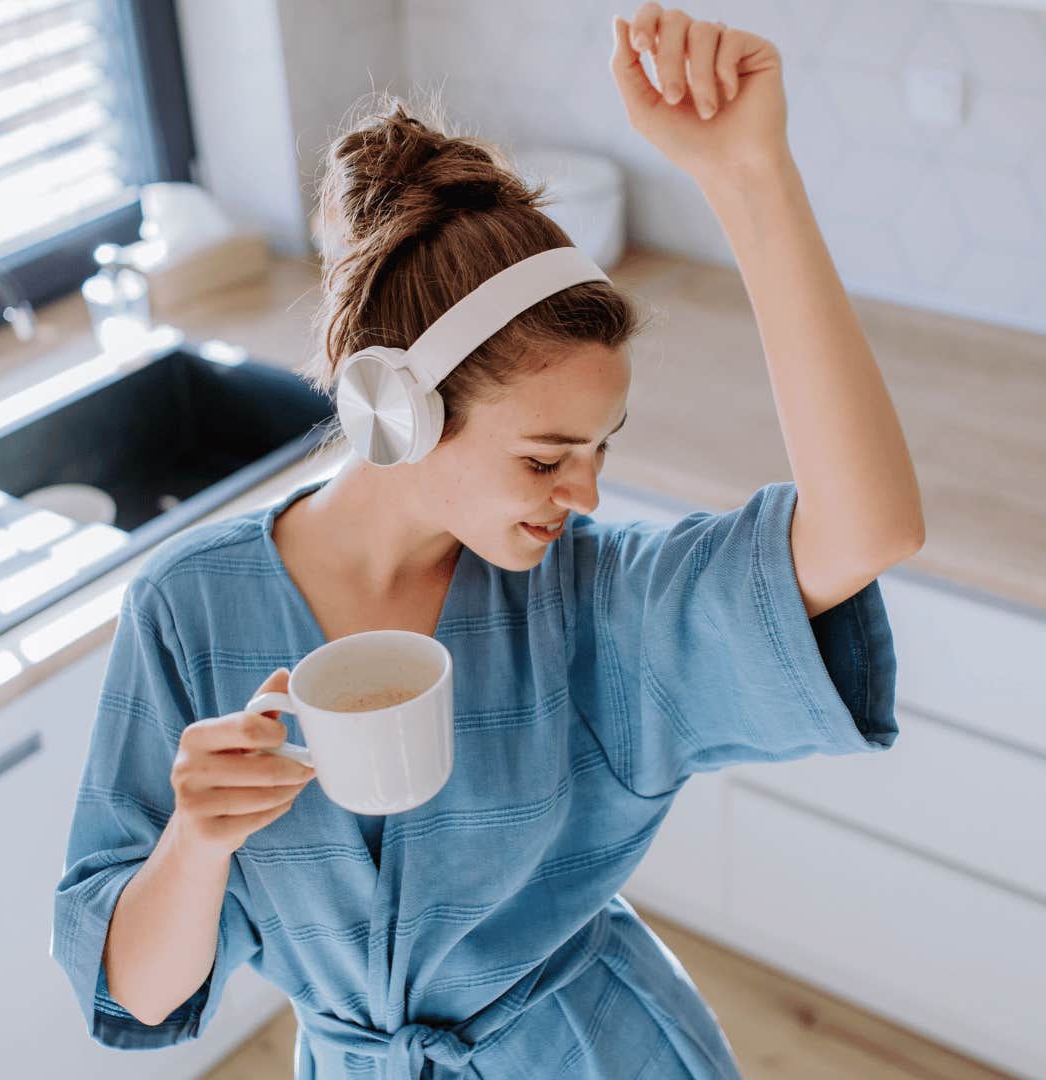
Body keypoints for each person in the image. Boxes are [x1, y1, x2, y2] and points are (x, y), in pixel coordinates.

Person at [52, 5, 925, 1077]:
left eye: (601, 449)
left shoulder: (593, 604)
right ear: (397, 409)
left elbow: (868, 527)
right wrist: (197, 839)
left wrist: (754, 178)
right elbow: (139, 994)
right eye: (547, 456)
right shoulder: (190, 611)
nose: (587, 495)